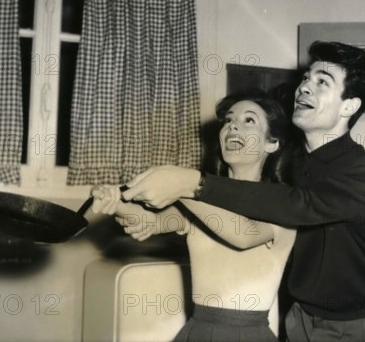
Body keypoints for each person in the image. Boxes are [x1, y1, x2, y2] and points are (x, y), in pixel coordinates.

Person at [120, 41, 365, 342]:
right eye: (307, 78)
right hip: (302, 318)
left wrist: (192, 183)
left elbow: (299, 205)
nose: (305, 87)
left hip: (358, 324)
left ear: (349, 105)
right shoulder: (293, 164)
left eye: (322, 82)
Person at [91, 90, 297, 341]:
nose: (232, 127)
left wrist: (182, 188)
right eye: (228, 121)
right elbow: (148, 222)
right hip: (197, 331)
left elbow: (244, 234)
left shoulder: (284, 202)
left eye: (248, 120)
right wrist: (114, 201)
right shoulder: (199, 202)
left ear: (272, 142)